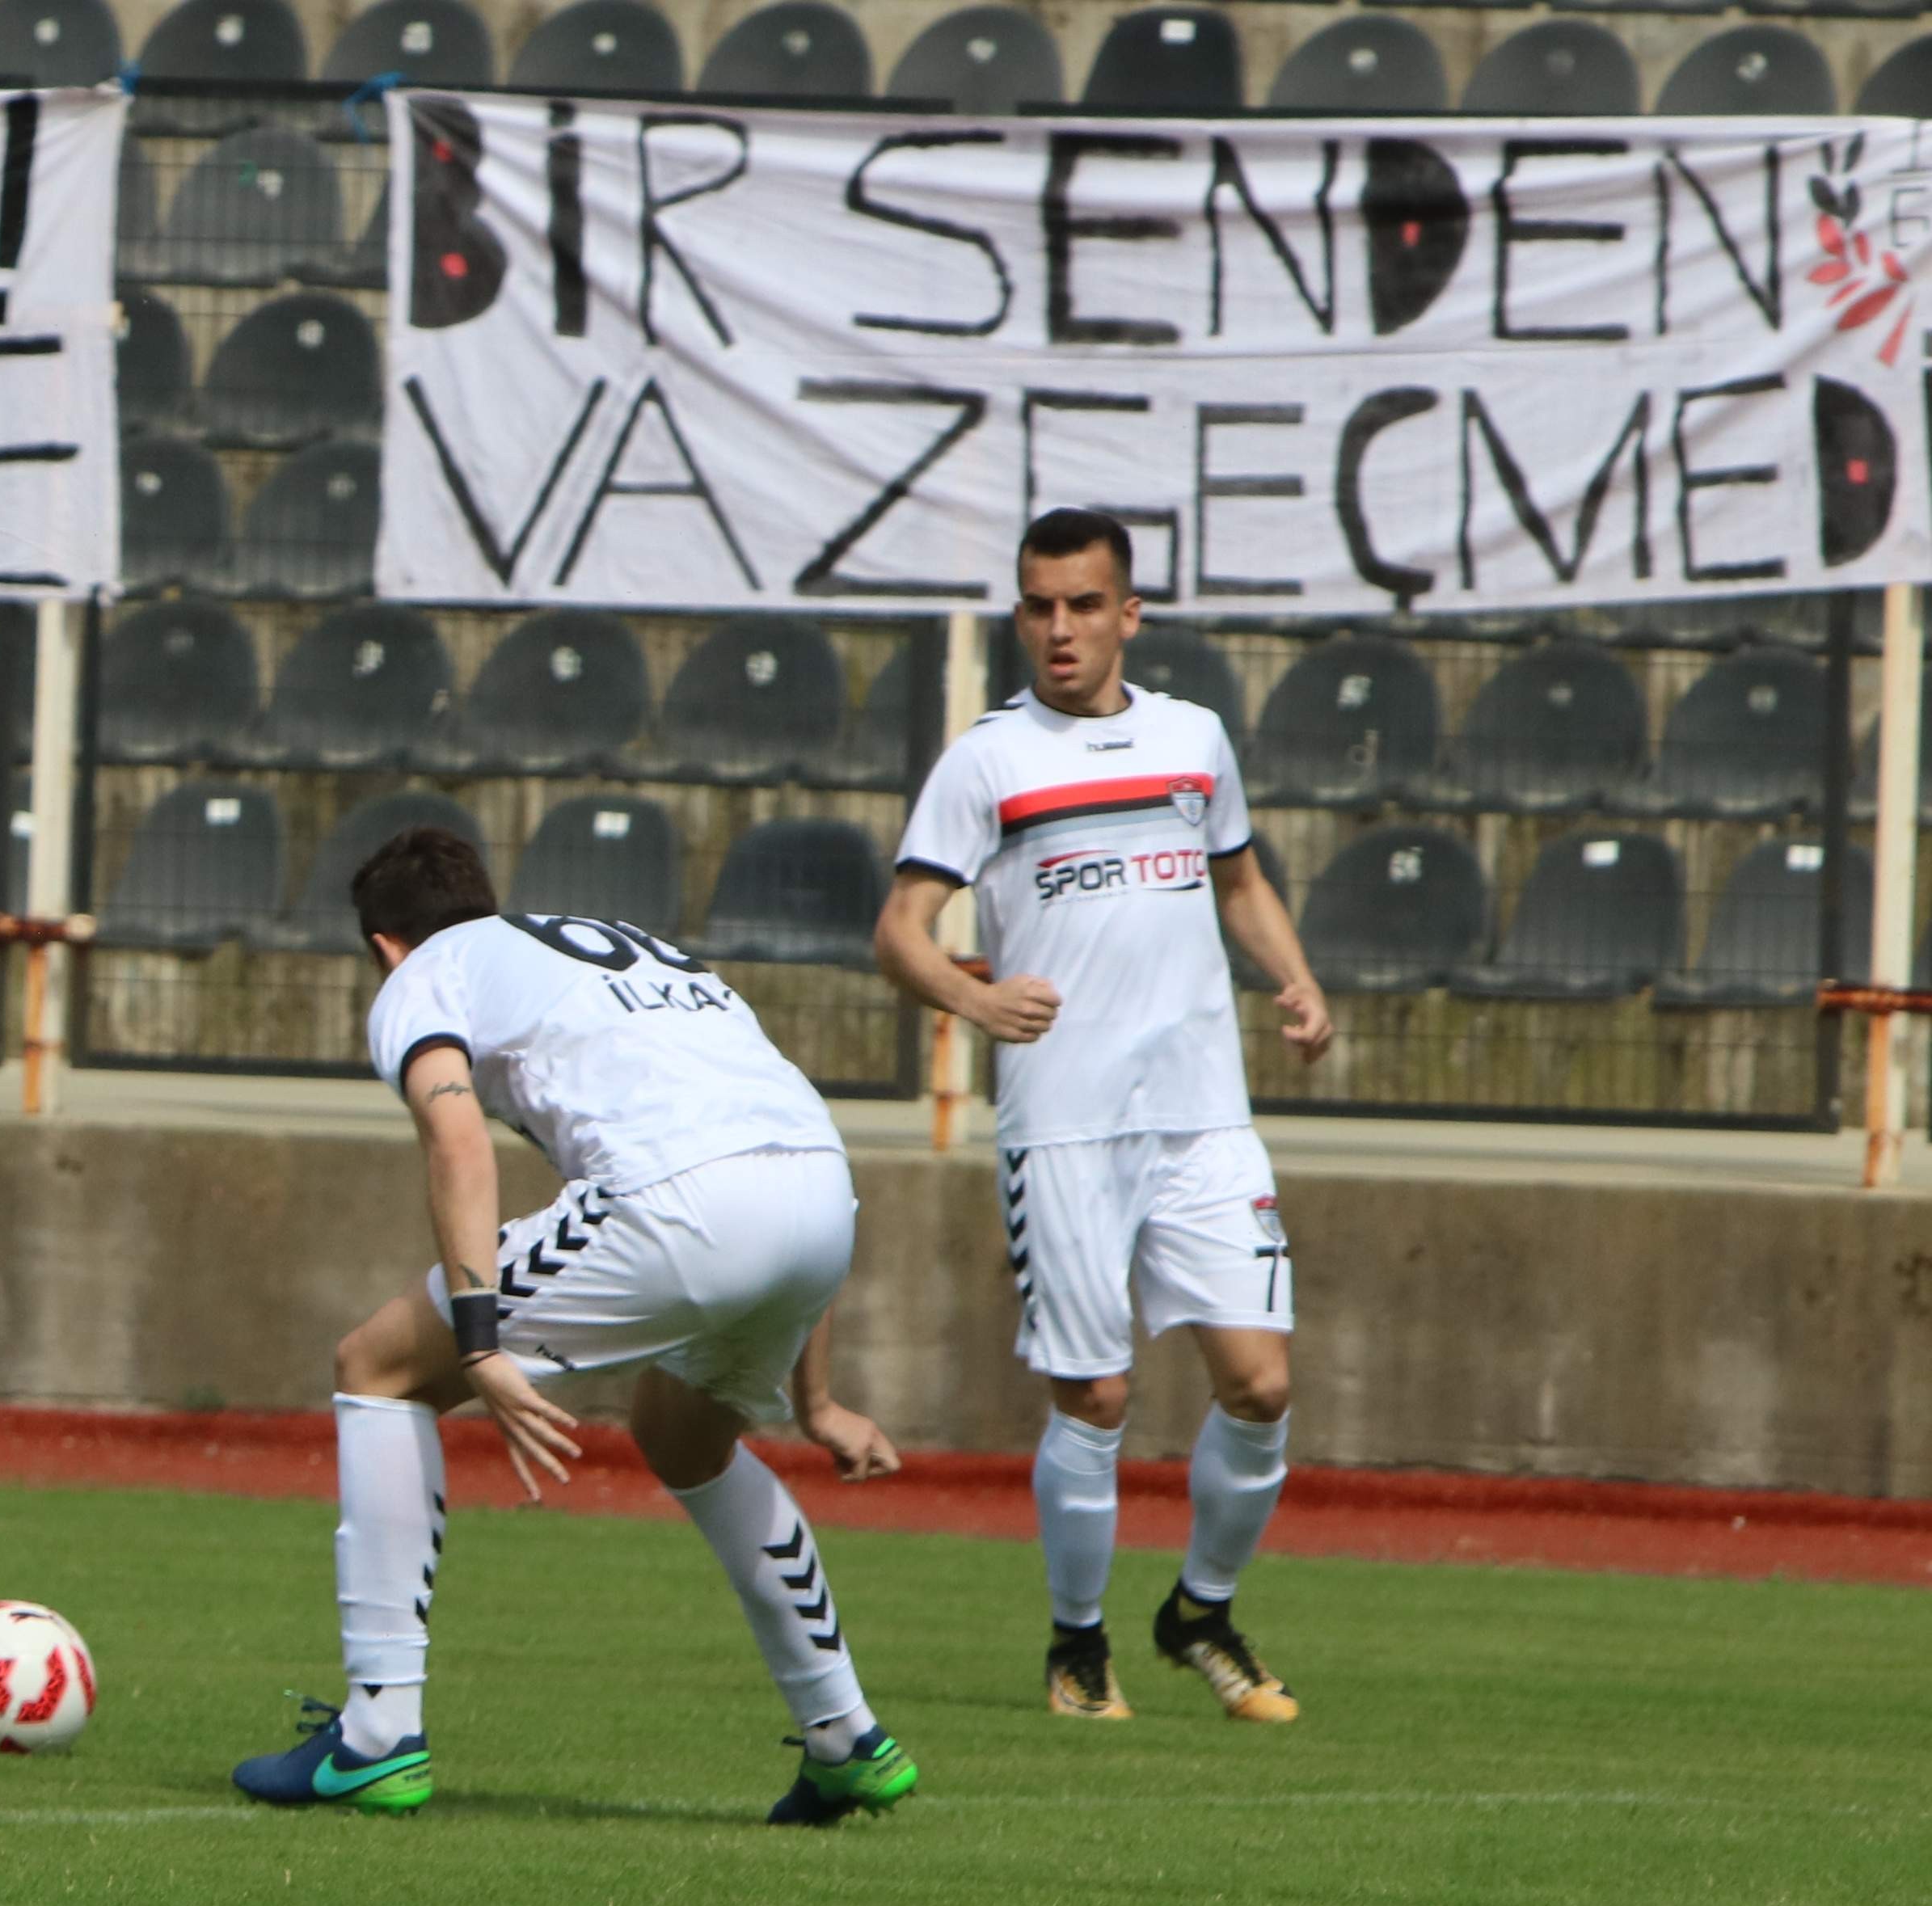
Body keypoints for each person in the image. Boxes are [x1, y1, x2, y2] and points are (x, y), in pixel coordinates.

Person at [232, 827, 918, 1824]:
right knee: (685, 1440)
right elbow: (765, 1132)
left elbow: (458, 1145)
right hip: (822, 1194)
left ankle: (376, 1735)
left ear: (384, 943)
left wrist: (478, 1344)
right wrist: (815, 1401)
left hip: (679, 1201)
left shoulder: (425, 973)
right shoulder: (629, 947)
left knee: (375, 1367)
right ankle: (843, 1734)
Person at [875, 508, 1333, 1726]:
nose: (1059, 629)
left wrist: (1292, 976)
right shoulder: (986, 760)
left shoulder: (1190, 739)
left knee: (1260, 1385)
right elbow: (898, 934)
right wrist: (976, 1003)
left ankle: (1200, 1609)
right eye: (1038, 606)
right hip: (1062, 1124)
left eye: (1083, 605)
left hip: (1199, 1115)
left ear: (1128, 614)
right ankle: (1075, 1647)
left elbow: (1237, 879)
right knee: (1094, 1399)